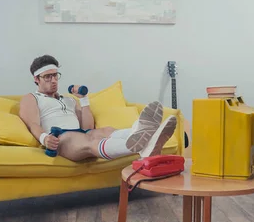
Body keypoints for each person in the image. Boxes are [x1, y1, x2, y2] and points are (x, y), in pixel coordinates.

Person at [18, 54, 177, 162]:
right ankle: (142, 142)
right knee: (90, 140)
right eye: (47, 77)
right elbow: (33, 125)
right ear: (36, 78)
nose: (53, 80)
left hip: (81, 133)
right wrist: (45, 138)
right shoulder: (31, 98)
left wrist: (84, 100)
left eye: (55, 75)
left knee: (106, 131)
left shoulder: (68, 100)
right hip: (62, 138)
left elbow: (87, 127)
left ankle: (147, 137)